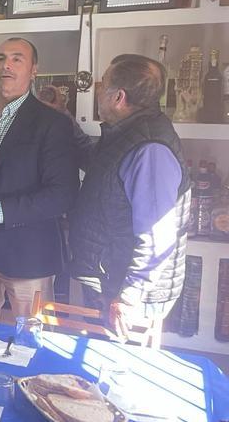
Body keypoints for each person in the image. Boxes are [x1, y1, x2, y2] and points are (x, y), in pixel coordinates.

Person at [0, 38, 78, 322]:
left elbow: (62, 194)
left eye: (17, 59)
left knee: (33, 342)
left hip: (29, 253)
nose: (6, 65)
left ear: (34, 70)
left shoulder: (53, 124)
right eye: (0, 58)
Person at [69, 54, 190, 339]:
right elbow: (98, 164)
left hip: (127, 291)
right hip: (109, 278)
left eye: (102, 85)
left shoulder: (151, 150)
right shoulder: (126, 133)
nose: (98, 91)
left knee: (117, 370)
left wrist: (129, 296)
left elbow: (157, 238)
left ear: (118, 97)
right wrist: (64, 121)